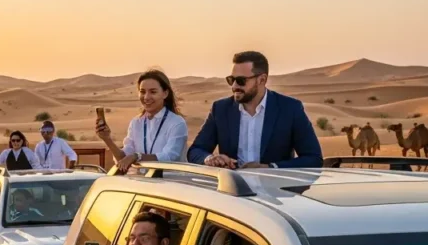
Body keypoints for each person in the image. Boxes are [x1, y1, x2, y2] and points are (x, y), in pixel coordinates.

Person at [187, 51, 322, 169]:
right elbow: (195, 151)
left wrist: (270, 167)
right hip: (232, 193)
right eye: (231, 80)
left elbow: (313, 158)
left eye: (241, 80)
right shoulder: (221, 109)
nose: (234, 86)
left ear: (262, 80)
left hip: (276, 192)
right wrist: (210, 159)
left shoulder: (290, 108)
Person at [96, 69, 188, 173]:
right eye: (142, 92)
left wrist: (137, 156)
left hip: (171, 184)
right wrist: (107, 139)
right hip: (143, 184)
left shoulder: (176, 123)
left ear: (165, 93)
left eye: (153, 92)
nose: (146, 97)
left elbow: (169, 156)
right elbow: (123, 159)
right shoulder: (136, 123)